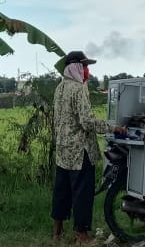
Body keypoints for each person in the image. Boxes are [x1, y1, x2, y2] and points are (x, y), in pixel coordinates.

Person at [52, 51, 127, 243]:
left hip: (62, 149)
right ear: (76, 68)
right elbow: (86, 121)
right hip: (79, 151)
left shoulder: (60, 88)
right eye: (85, 67)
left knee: (62, 190)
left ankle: (57, 232)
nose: (87, 71)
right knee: (82, 193)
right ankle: (82, 235)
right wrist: (113, 128)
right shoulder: (78, 89)